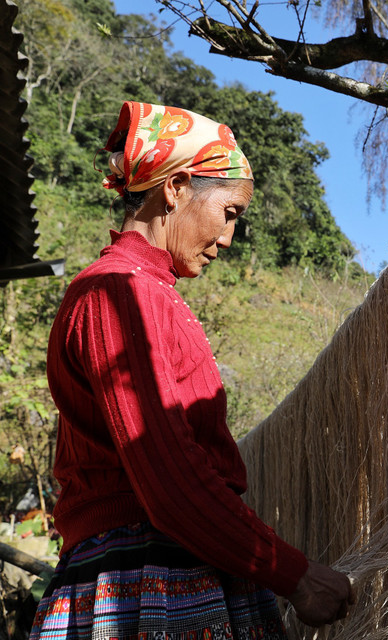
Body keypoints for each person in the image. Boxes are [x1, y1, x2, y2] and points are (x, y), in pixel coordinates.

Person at [30, 102, 354, 640]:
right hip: (145, 581)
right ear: (176, 188)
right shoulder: (118, 294)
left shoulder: (147, 293)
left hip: (175, 561)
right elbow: (169, 476)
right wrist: (294, 576)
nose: (228, 239)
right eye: (229, 212)